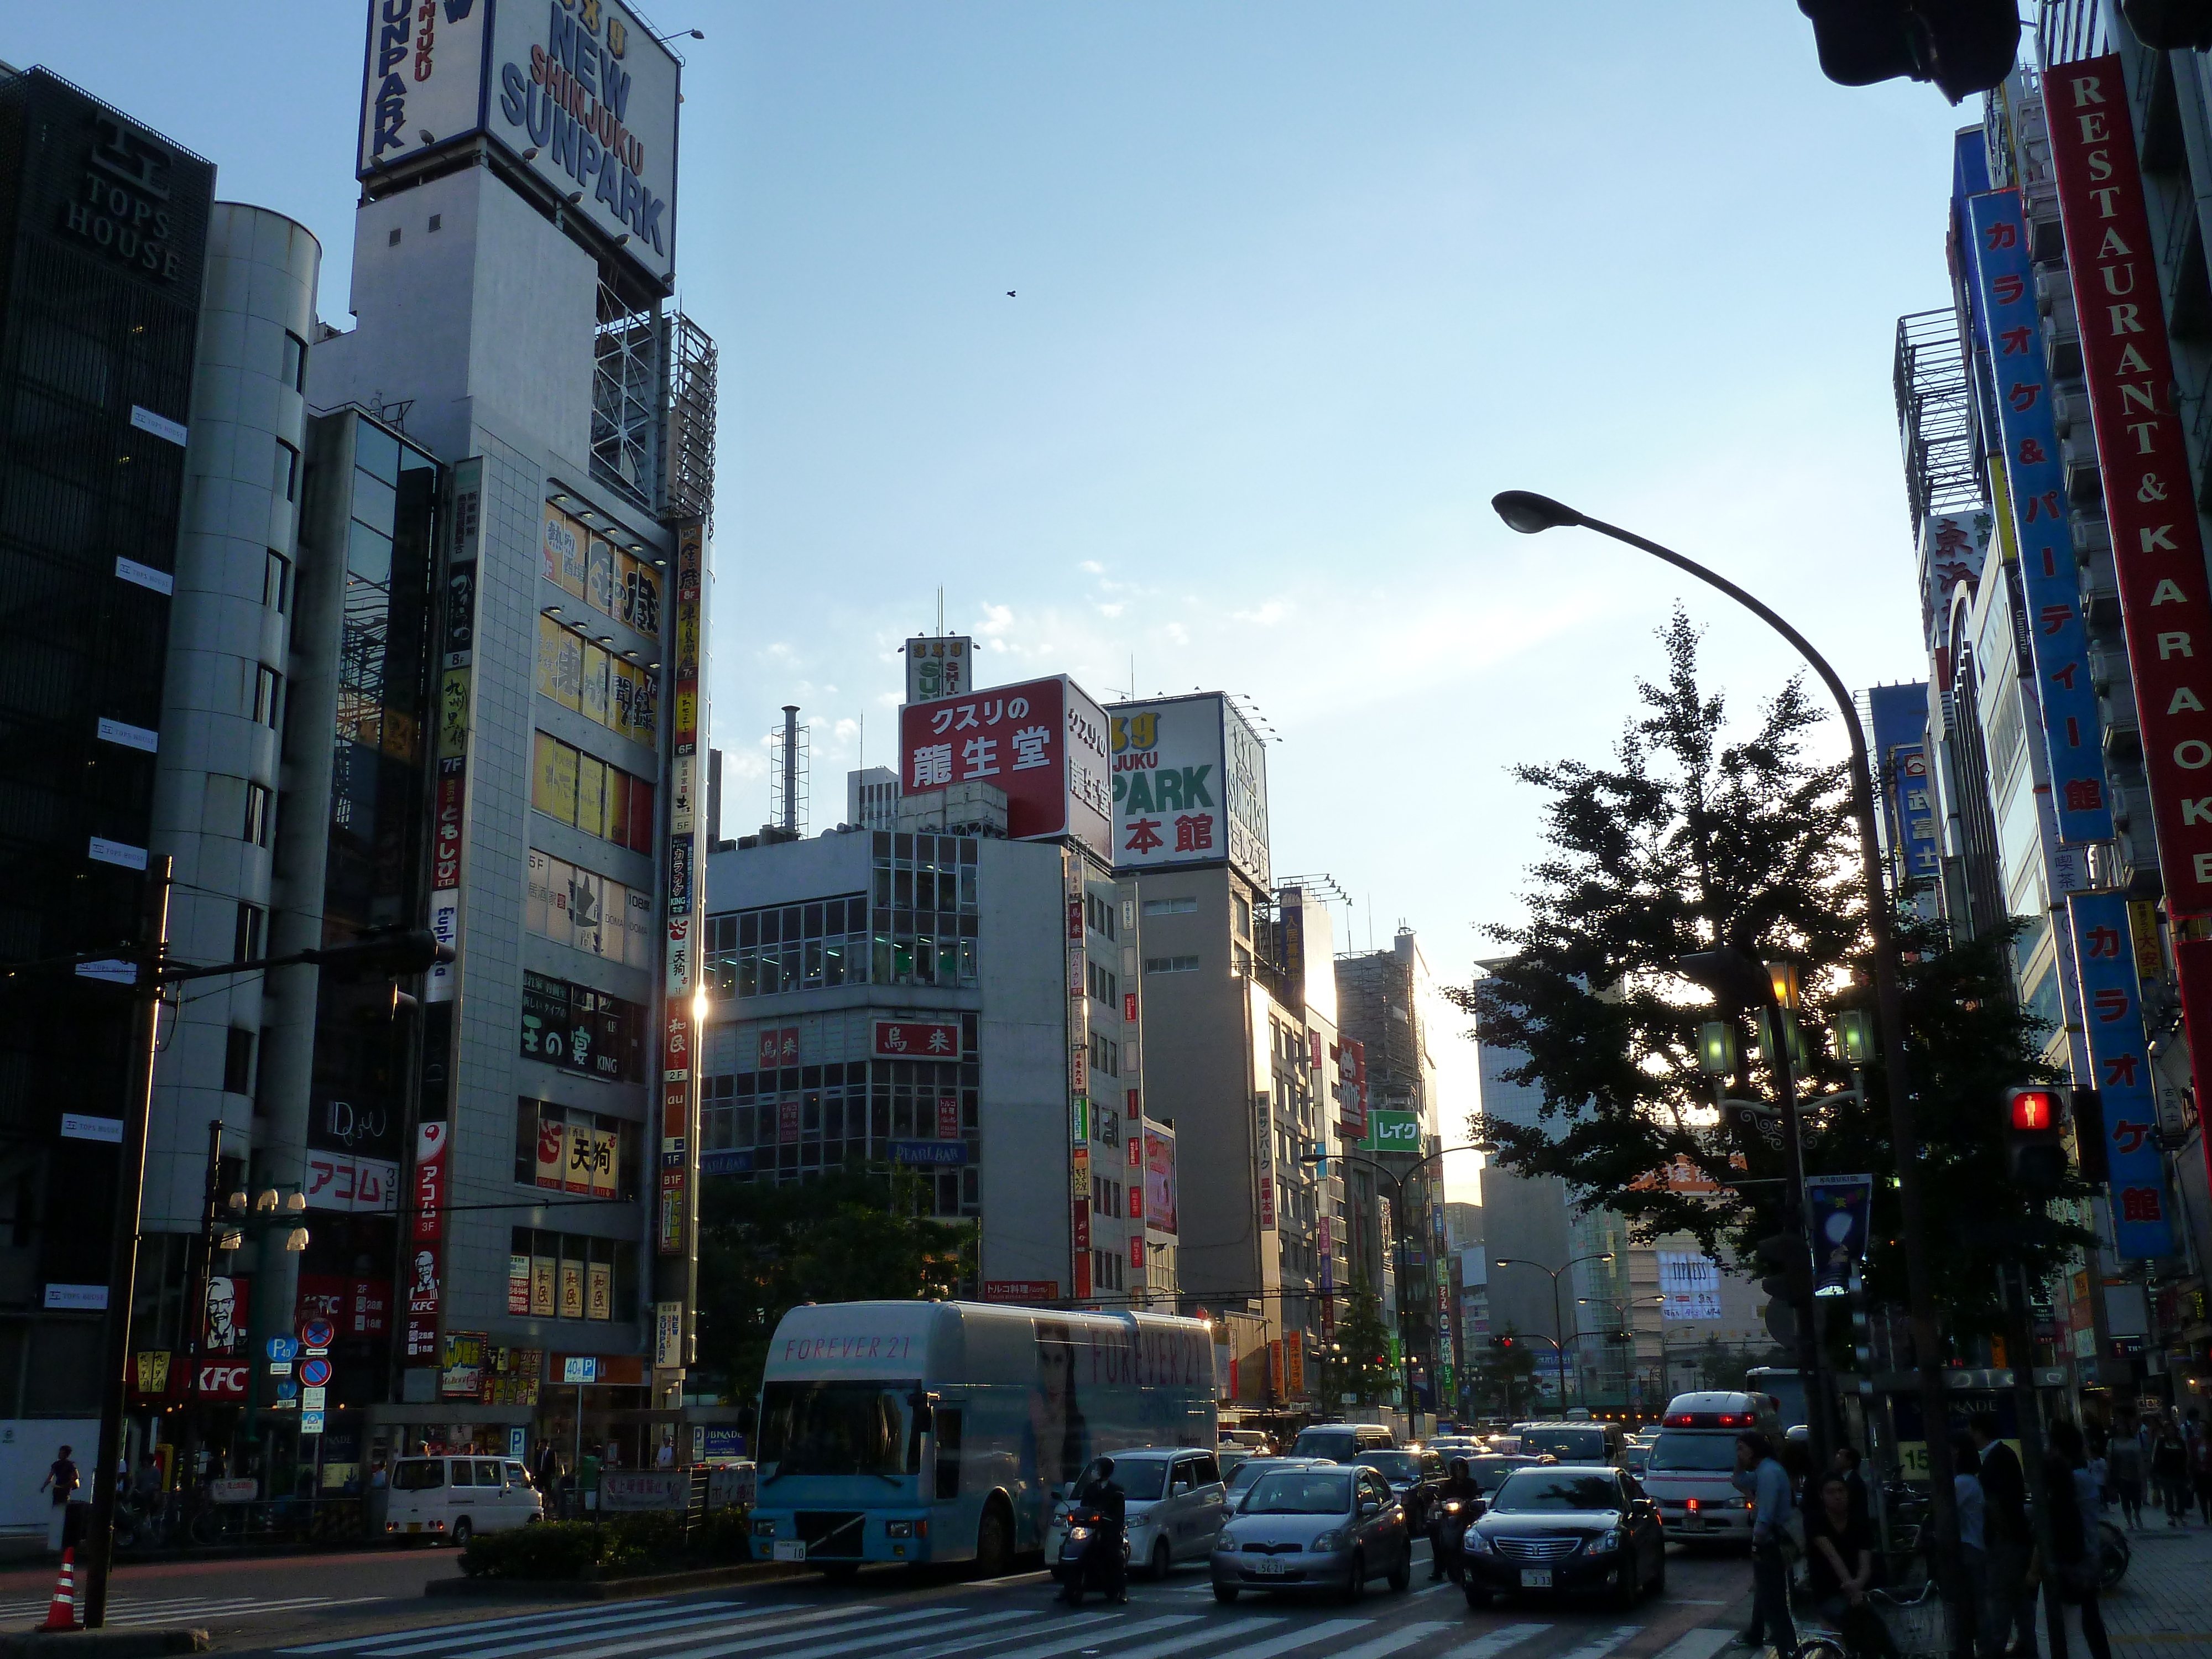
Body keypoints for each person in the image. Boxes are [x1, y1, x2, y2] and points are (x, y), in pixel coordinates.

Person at [1806, 1473, 1899, 1657]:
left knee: (1874, 1621)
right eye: (1831, 1492)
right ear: (1822, 1496)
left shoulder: (1859, 1522)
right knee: (1855, 1621)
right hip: (1828, 1593)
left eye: (1841, 1490)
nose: (1837, 1496)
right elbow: (1833, 1556)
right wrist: (1852, 1588)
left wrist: (1858, 1584)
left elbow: (1865, 1561)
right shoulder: (1815, 1521)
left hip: (1859, 1590)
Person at [2043, 1420, 2112, 1659]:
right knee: (2088, 1618)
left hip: (2079, 1555)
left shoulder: (2074, 1479)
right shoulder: (2082, 1475)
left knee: (2081, 1620)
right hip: (2088, 1553)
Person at [1971, 1412, 2037, 1659]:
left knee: (2000, 1595)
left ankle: (1995, 1648)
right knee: (2018, 1595)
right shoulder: (2003, 1455)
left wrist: (2003, 1533)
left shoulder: (1996, 1459)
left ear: (1979, 1432)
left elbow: (1997, 1504)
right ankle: (2028, 1643)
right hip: (2014, 1538)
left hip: (2005, 1540)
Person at [1729, 1431, 1796, 1654]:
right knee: (1767, 1594)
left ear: (1754, 1448)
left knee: (1774, 1605)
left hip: (1771, 1543)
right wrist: (1740, 1462)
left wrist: (1756, 1544)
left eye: (1741, 1448)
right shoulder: (1765, 1470)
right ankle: (1761, 1636)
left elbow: (1765, 1514)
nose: (1739, 1454)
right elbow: (1738, 1480)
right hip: (1774, 1541)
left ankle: (1789, 1651)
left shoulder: (1767, 1473)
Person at [1071, 1455, 1128, 1603]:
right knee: (1073, 1549)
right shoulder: (1089, 1488)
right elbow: (1084, 1507)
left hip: (1108, 1530)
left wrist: (1109, 1520)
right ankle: (1068, 1588)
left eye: (1098, 1469)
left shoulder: (1117, 1491)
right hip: (1090, 1529)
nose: (1095, 1472)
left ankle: (1122, 1591)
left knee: (1114, 1555)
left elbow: (1119, 1516)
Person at [1953, 1435, 1987, 1659]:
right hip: (1975, 1546)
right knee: (1976, 1602)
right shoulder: (1970, 1480)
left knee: (1974, 1603)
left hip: (1970, 1547)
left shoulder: (1963, 1482)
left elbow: (1945, 1508)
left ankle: (1981, 1647)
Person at [1430, 1455, 1481, 1580]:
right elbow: (1440, 1497)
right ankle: (1438, 1568)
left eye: (1462, 1469)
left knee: (1475, 1531)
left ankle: (1475, 1566)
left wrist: (1471, 1502)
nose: (1460, 1472)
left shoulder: (1471, 1484)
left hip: (1466, 1516)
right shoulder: (1448, 1484)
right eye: (1457, 1470)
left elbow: (1476, 1496)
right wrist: (1437, 1502)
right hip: (1449, 1516)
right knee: (1434, 1529)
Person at [2148, 1412, 2189, 1527]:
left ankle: (2180, 1515)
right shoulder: (2161, 1442)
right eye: (2168, 1430)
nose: (2171, 1432)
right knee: (2169, 1495)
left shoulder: (2181, 1442)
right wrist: (2155, 1471)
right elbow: (2156, 1457)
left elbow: (2185, 1456)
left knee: (2181, 1495)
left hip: (2180, 1473)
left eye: (2172, 1430)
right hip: (2166, 1473)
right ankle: (2171, 1516)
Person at [2106, 1408, 2145, 1530]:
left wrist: (2142, 1473)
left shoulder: (2133, 1442)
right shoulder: (2112, 1442)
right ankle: (2129, 1521)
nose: (2121, 1429)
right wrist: (2108, 1474)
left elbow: (2139, 1458)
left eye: (2123, 1426)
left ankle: (2137, 1515)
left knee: (2136, 1498)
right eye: (2119, 1426)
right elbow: (2109, 1459)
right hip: (2120, 1475)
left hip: (2134, 1474)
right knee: (2125, 1498)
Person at [39, 1444, 77, 1553]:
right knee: (57, 1511)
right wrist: (44, 1487)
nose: (59, 1454)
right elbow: (50, 1478)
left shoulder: (70, 1465)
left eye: (62, 1452)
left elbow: (76, 1476)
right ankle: (56, 1538)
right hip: (58, 1490)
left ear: (66, 1454)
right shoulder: (56, 1465)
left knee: (63, 1510)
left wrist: (69, 1484)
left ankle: (61, 1538)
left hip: (64, 1490)